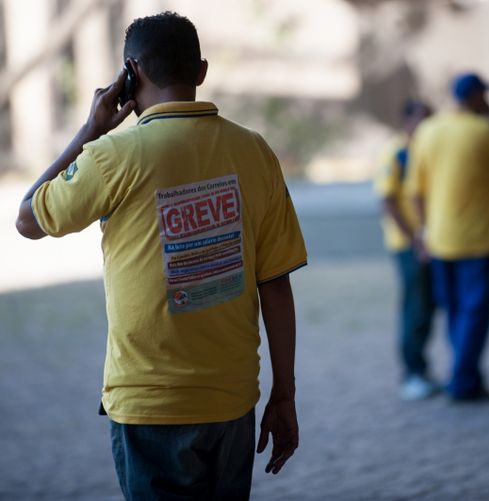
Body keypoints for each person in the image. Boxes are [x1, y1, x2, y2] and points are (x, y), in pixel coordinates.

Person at [15, 12, 307, 498]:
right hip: (233, 401)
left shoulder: (111, 155)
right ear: (202, 71)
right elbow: (276, 282)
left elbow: (28, 220)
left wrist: (90, 129)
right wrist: (284, 393)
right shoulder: (255, 151)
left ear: (131, 72)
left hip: (149, 406)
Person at [407, 73, 489, 401]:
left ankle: (466, 373)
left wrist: (423, 232)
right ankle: (464, 379)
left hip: (439, 240)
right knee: (477, 311)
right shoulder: (483, 131)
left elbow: (416, 191)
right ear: (475, 98)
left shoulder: (427, 131)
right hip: (475, 241)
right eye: (485, 97)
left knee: (456, 311)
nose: (488, 103)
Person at [374, 99, 438, 401]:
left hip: (430, 240)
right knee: (415, 307)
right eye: (422, 121)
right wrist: (415, 239)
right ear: (407, 123)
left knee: (426, 306)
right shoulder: (396, 152)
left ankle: (422, 369)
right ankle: (412, 373)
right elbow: (387, 201)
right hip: (409, 244)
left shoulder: (427, 151)